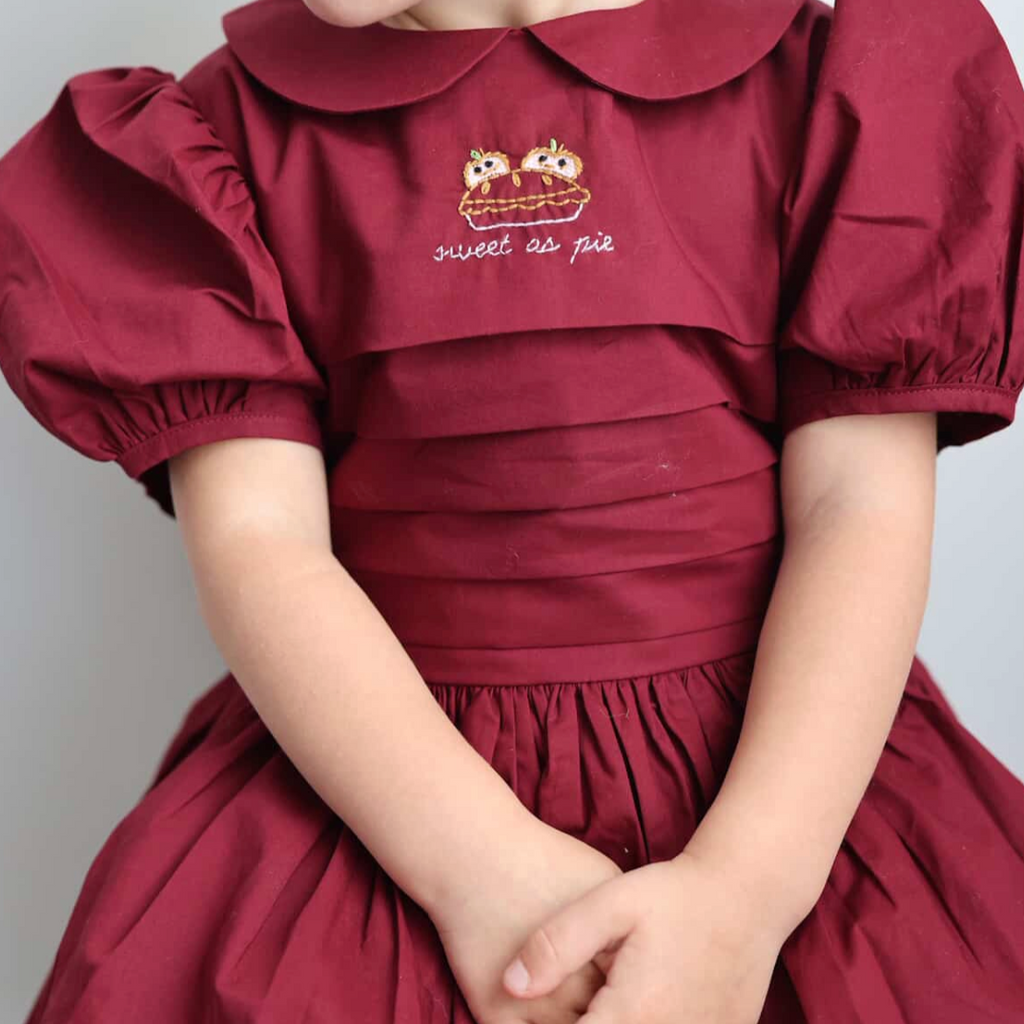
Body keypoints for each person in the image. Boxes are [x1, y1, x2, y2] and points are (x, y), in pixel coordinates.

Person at [1, 0, 1022, 1019]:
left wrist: (749, 890)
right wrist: (475, 873)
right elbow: (261, 543)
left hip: (791, 783)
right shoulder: (214, 141)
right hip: (386, 791)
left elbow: (859, 507)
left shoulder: (825, 89)